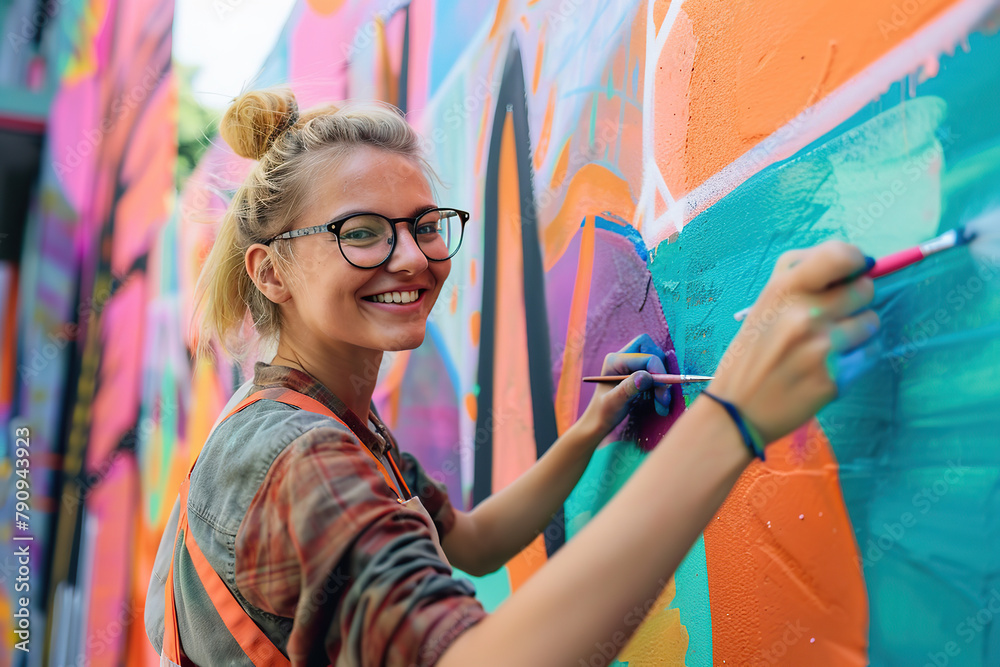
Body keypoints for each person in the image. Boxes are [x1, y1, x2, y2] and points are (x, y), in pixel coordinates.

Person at [144, 87, 879, 667]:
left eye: (425, 224)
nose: (411, 256)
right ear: (269, 271)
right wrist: (733, 416)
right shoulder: (300, 457)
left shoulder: (322, 421)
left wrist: (592, 428)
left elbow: (472, 540)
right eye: (361, 232)